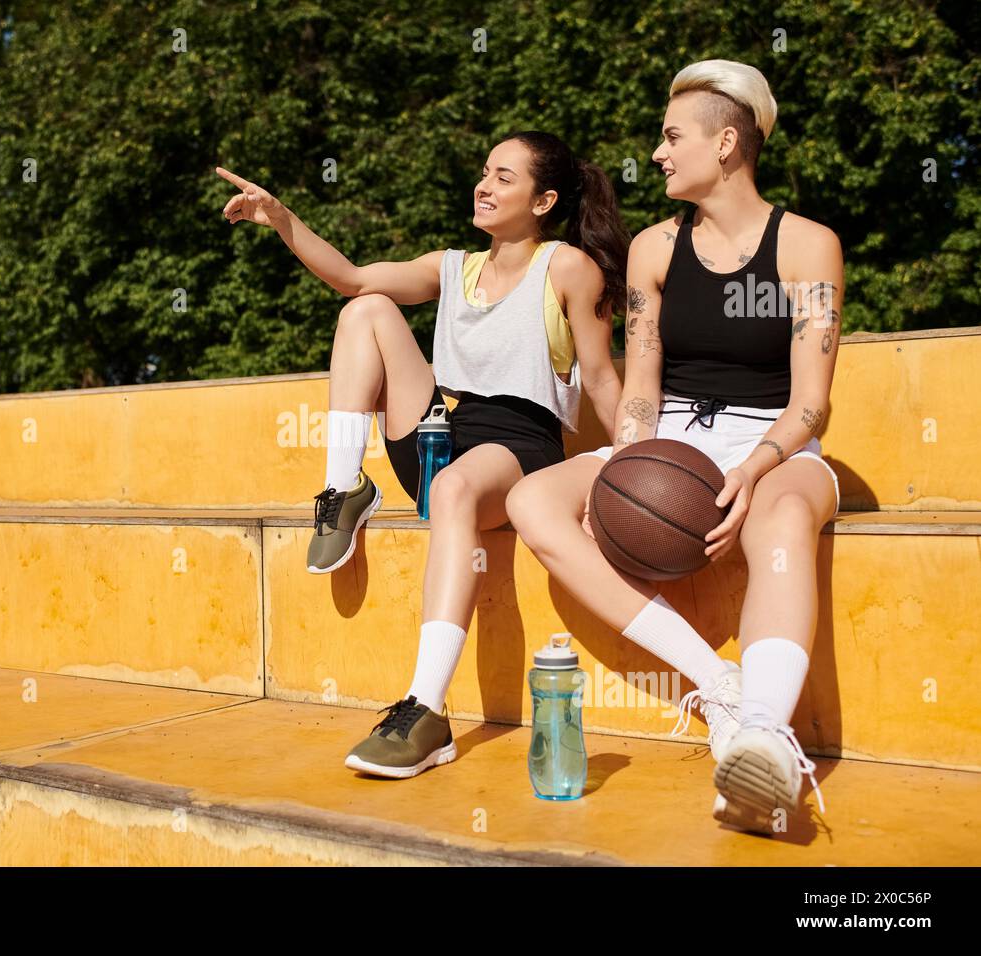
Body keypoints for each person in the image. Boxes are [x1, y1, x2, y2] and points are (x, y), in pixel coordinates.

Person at [216, 129, 629, 777]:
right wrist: (281, 219)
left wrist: (635, 460)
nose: (484, 186)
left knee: (457, 489)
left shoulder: (568, 268)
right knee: (367, 310)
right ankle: (343, 486)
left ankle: (425, 710)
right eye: (484, 172)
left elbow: (602, 379)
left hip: (519, 446)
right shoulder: (452, 265)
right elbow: (352, 278)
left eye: (503, 177)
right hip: (443, 438)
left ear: (544, 200)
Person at [505, 60, 843, 834]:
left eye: (670, 136)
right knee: (534, 499)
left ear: (727, 142)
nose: (656, 154)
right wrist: (624, 461)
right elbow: (642, 389)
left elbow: (812, 403)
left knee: (783, 519)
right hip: (671, 442)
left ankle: (764, 739)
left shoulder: (808, 247)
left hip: (776, 443)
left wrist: (755, 468)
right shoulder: (654, 251)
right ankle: (716, 684)